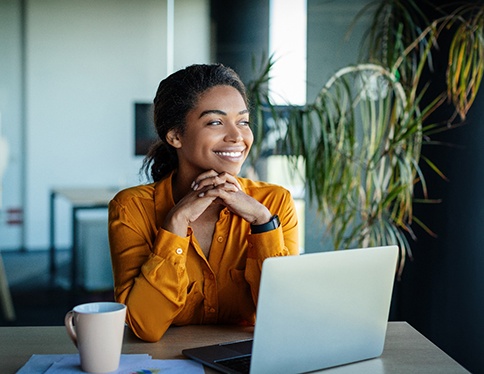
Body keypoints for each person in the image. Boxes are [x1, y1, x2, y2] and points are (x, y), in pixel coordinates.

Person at [108, 63, 299, 342]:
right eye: (215, 122)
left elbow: (286, 316)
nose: (237, 137)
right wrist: (175, 224)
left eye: (243, 121)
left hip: (247, 362)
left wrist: (262, 224)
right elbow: (144, 326)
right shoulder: (131, 208)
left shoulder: (273, 203)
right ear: (174, 136)